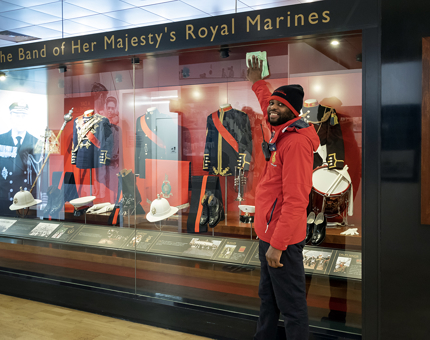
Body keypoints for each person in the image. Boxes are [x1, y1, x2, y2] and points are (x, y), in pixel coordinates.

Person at [246, 56, 320, 340]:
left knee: (291, 307)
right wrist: (258, 83)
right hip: (268, 233)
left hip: (282, 240)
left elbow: (296, 201)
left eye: (280, 105)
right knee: (268, 299)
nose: (273, 108)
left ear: (293, 111)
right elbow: (267, 103)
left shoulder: (297, 142)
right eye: (273, 104)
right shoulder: (280, 128)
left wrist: (277, 245)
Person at [0, 102, 40, 216]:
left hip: (27, 202)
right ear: (10, 117)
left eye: (24, 116)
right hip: (4, 199)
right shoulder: (1, 140)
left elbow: (40, 174)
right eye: (17, 115)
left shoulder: (36, 142)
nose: (20, 119)